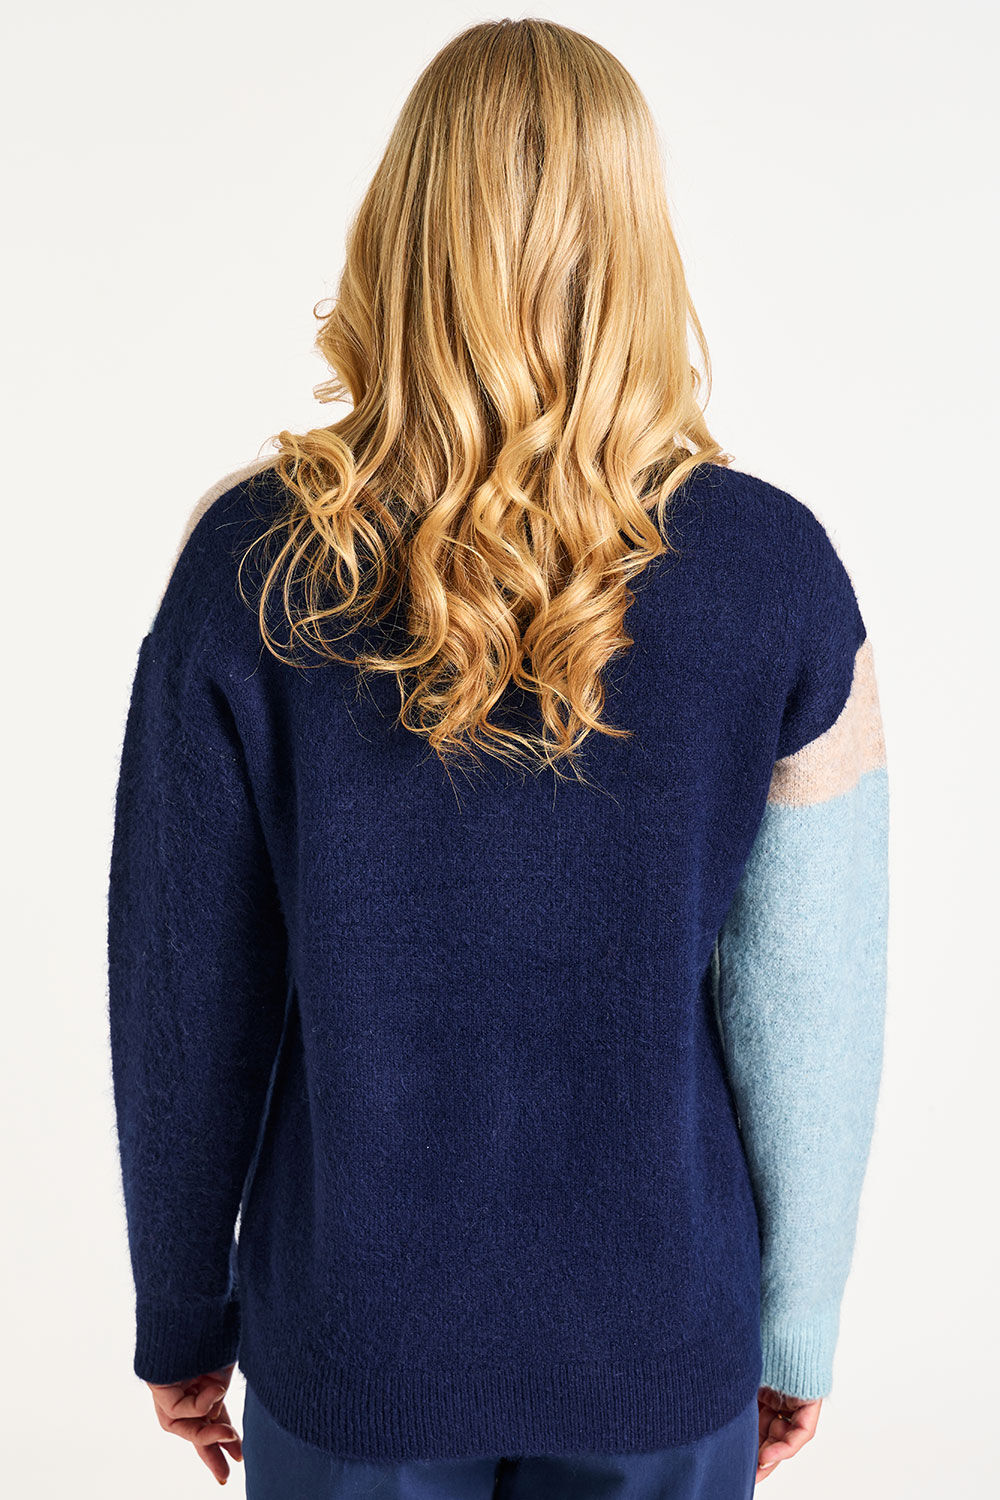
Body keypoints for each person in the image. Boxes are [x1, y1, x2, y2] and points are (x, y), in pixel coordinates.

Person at [106, 17, 889, 1499]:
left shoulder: (250, 564)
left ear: (400, 229)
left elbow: (182, 990)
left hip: (355, 1340)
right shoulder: (777, 570)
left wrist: (181, 1311)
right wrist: (797, 1320)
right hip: (663, 1340)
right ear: (639, 243)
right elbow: (815, 1001)